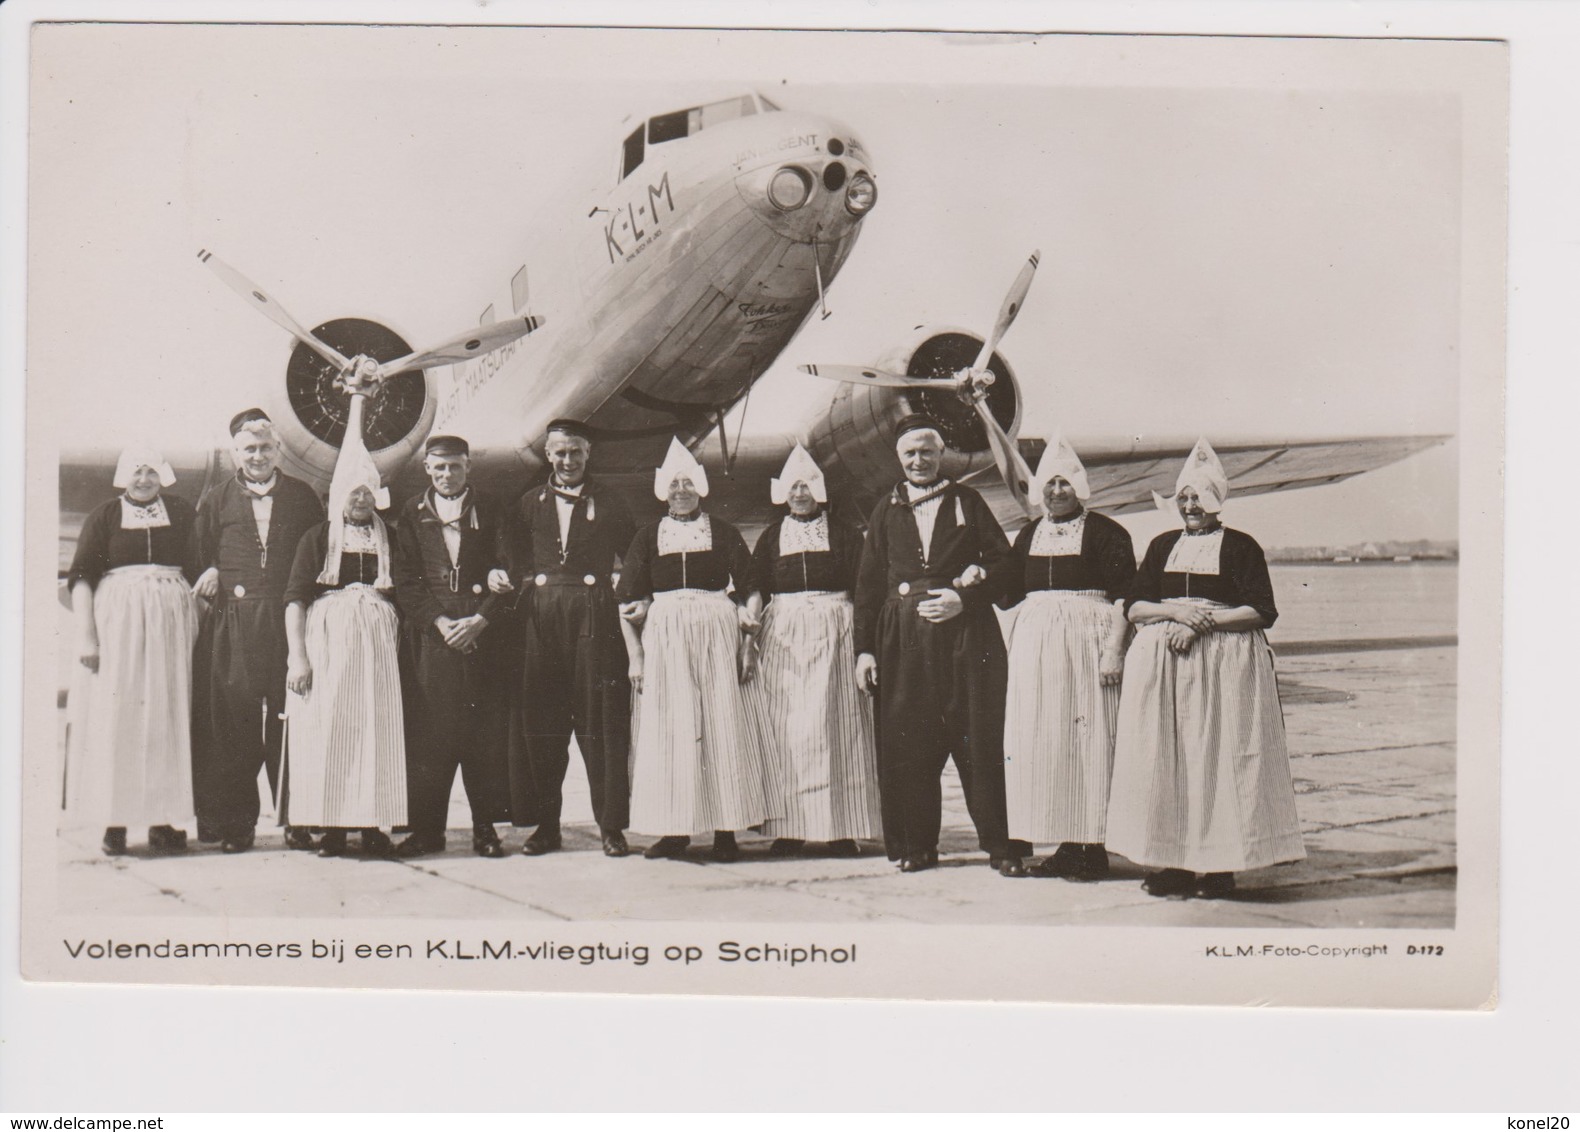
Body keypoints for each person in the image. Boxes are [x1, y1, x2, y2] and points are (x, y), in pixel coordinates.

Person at [1106, 438, 1305, 899]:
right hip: (1166, 672)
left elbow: (1261, 611)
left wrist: (1204, 622)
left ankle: (1220, 867)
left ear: (1217, 500)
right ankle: (1173, 863)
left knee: (1218, 761)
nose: (1191, 506)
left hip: (1224, 668)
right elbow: (1135, 607)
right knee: (1169, 760)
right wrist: (1178, 614)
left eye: (1199, 497)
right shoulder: (1160, 546)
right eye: (1184, 498)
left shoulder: (1240, 547)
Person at [853, 414, 1031, 875]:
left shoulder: (967, 501)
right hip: (902, 642)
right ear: (899, 457)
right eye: (910, 453)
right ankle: (917, 845)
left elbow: (1006, 565)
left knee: (980, 738)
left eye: (927, 452)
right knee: (908, 743)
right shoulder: (885, 508)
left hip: (967, 639)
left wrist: (965, 597)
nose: (919, 460)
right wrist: (865, 651)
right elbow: (869, 586)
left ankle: (1001, 847)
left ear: (941, 454)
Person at [616, 437, 768, 863]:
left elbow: (751, 589)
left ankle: (725, 831)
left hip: (718, 634)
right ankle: (674, 830)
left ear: (700, 487)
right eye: (673, 484)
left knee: (721, 727)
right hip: (665, 638)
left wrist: (749, 642)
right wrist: (636, 657)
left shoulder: (723, 532)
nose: (681, 491)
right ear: (662, 490)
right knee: (671, 731)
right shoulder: (648, 537)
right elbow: (627, 602)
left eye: (688, 483)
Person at [997, 437, 1134, 882]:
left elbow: (1126, 598)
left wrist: (1115, 650)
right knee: (1048, 744)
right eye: (1049, 483)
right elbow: (1010, 591)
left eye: (1064, 482)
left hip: (1086, 643)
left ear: (1080, 485)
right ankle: (1063, 844)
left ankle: (1091, 848)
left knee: (1089, 742)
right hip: (1037, 648)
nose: (1056, 491)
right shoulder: (1029, 533)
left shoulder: (1108, 533)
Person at [192, 410, 325, 853]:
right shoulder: (215, 499)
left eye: (265, 447)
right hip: (235, 622)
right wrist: (211, 568)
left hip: (288, 620)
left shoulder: (304, 497)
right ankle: (238, 824)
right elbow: (200, 553)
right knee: (236, 725)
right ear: (235, 452)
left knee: (293, 721)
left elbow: (317, 555)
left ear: (278, 449)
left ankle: (297, 818)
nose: (257, 456)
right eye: (249, 449)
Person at [744, 444, 880, 858]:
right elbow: (756, 589)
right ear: (782, 493)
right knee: (789, 731)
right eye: (792, 487)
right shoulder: (771, 536)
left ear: (818, 490)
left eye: (805, 486)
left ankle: (841, 829)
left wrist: (863, 646)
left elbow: (864, 589)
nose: (799, 493)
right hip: (784, 635)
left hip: (834, 630)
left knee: (837, 729)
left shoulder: (843, 533)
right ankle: (789, 828)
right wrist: (749, 632)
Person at [66, 447, 201, 856]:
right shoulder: (104, 516)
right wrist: (87, 636)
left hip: (171, 625)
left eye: (152, 471)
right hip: (118, 624)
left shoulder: (180, 512)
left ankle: (162, 821)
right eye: (137, 472)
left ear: (163, 474)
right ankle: (115, 822)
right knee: (119, 715)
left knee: (164, 716)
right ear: (125, 475)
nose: (144, 479)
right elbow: (82, 578)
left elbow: (200, 563)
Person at [512, 419, 637, 858]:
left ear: (589, 455)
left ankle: (610, 827)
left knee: (600, 724)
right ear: (548, 454)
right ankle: (547, 827)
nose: (568, 461)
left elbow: (636, 556)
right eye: (560, 453)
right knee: (543, 728)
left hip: (594, 615)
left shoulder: (610, 501)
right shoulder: (529, 503)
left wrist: (636, 599)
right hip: (542, 620)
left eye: (576, 453)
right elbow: (507, 558)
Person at [281, 430, 406, 858]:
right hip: (329, 643)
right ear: (339, 496)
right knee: (331, 729)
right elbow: (295, 597)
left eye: (368, 491)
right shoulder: (318, 538)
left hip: (378, 646)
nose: (361, 499)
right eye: (354, 492)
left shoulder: (391, 537)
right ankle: (331, 828)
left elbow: (407, 593)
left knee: (375, 729)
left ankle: (372, 824)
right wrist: (298, 657)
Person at [391, 434, 516, 858]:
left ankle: (485, 830)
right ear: (427, 468)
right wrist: (441, 623)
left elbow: (510, 567)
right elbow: (405, 581)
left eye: (455, 467)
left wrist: (481, 619)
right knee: (431, 737)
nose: (447, 475)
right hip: (433, 635)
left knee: (481, 736)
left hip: (481, 631)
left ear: (468, 467)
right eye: (439, 467)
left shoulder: (494, 507)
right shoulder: (410, 512)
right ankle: (428, 831)